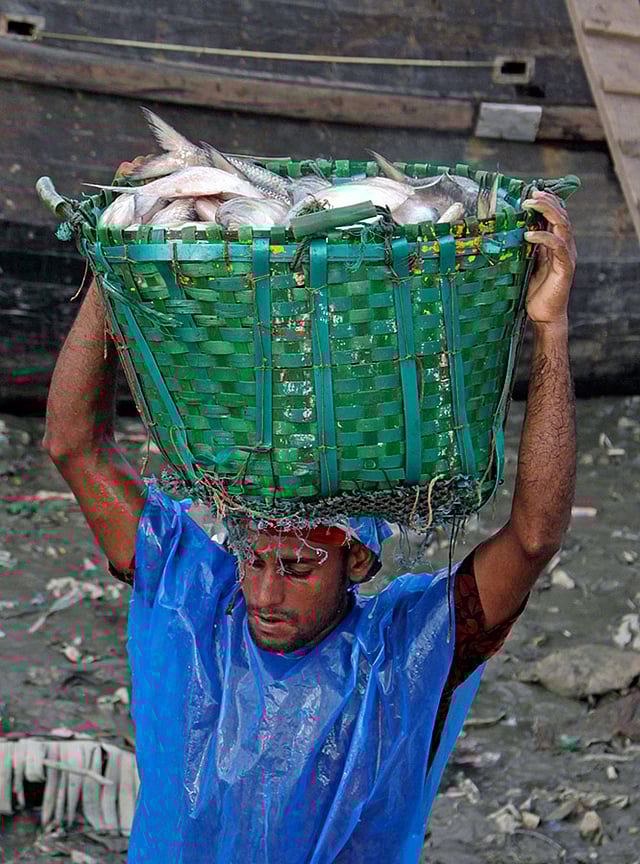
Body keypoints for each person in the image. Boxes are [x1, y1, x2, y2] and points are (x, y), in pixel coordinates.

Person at [42, 187, 576, 863]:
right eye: (253, 560)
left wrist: (550, 332)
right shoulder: (190, 594)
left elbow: (533, 538)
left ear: (357, 559)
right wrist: (110, 268)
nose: (263, 595)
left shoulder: (409, 650)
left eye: (298, 567)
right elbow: (73, 446)